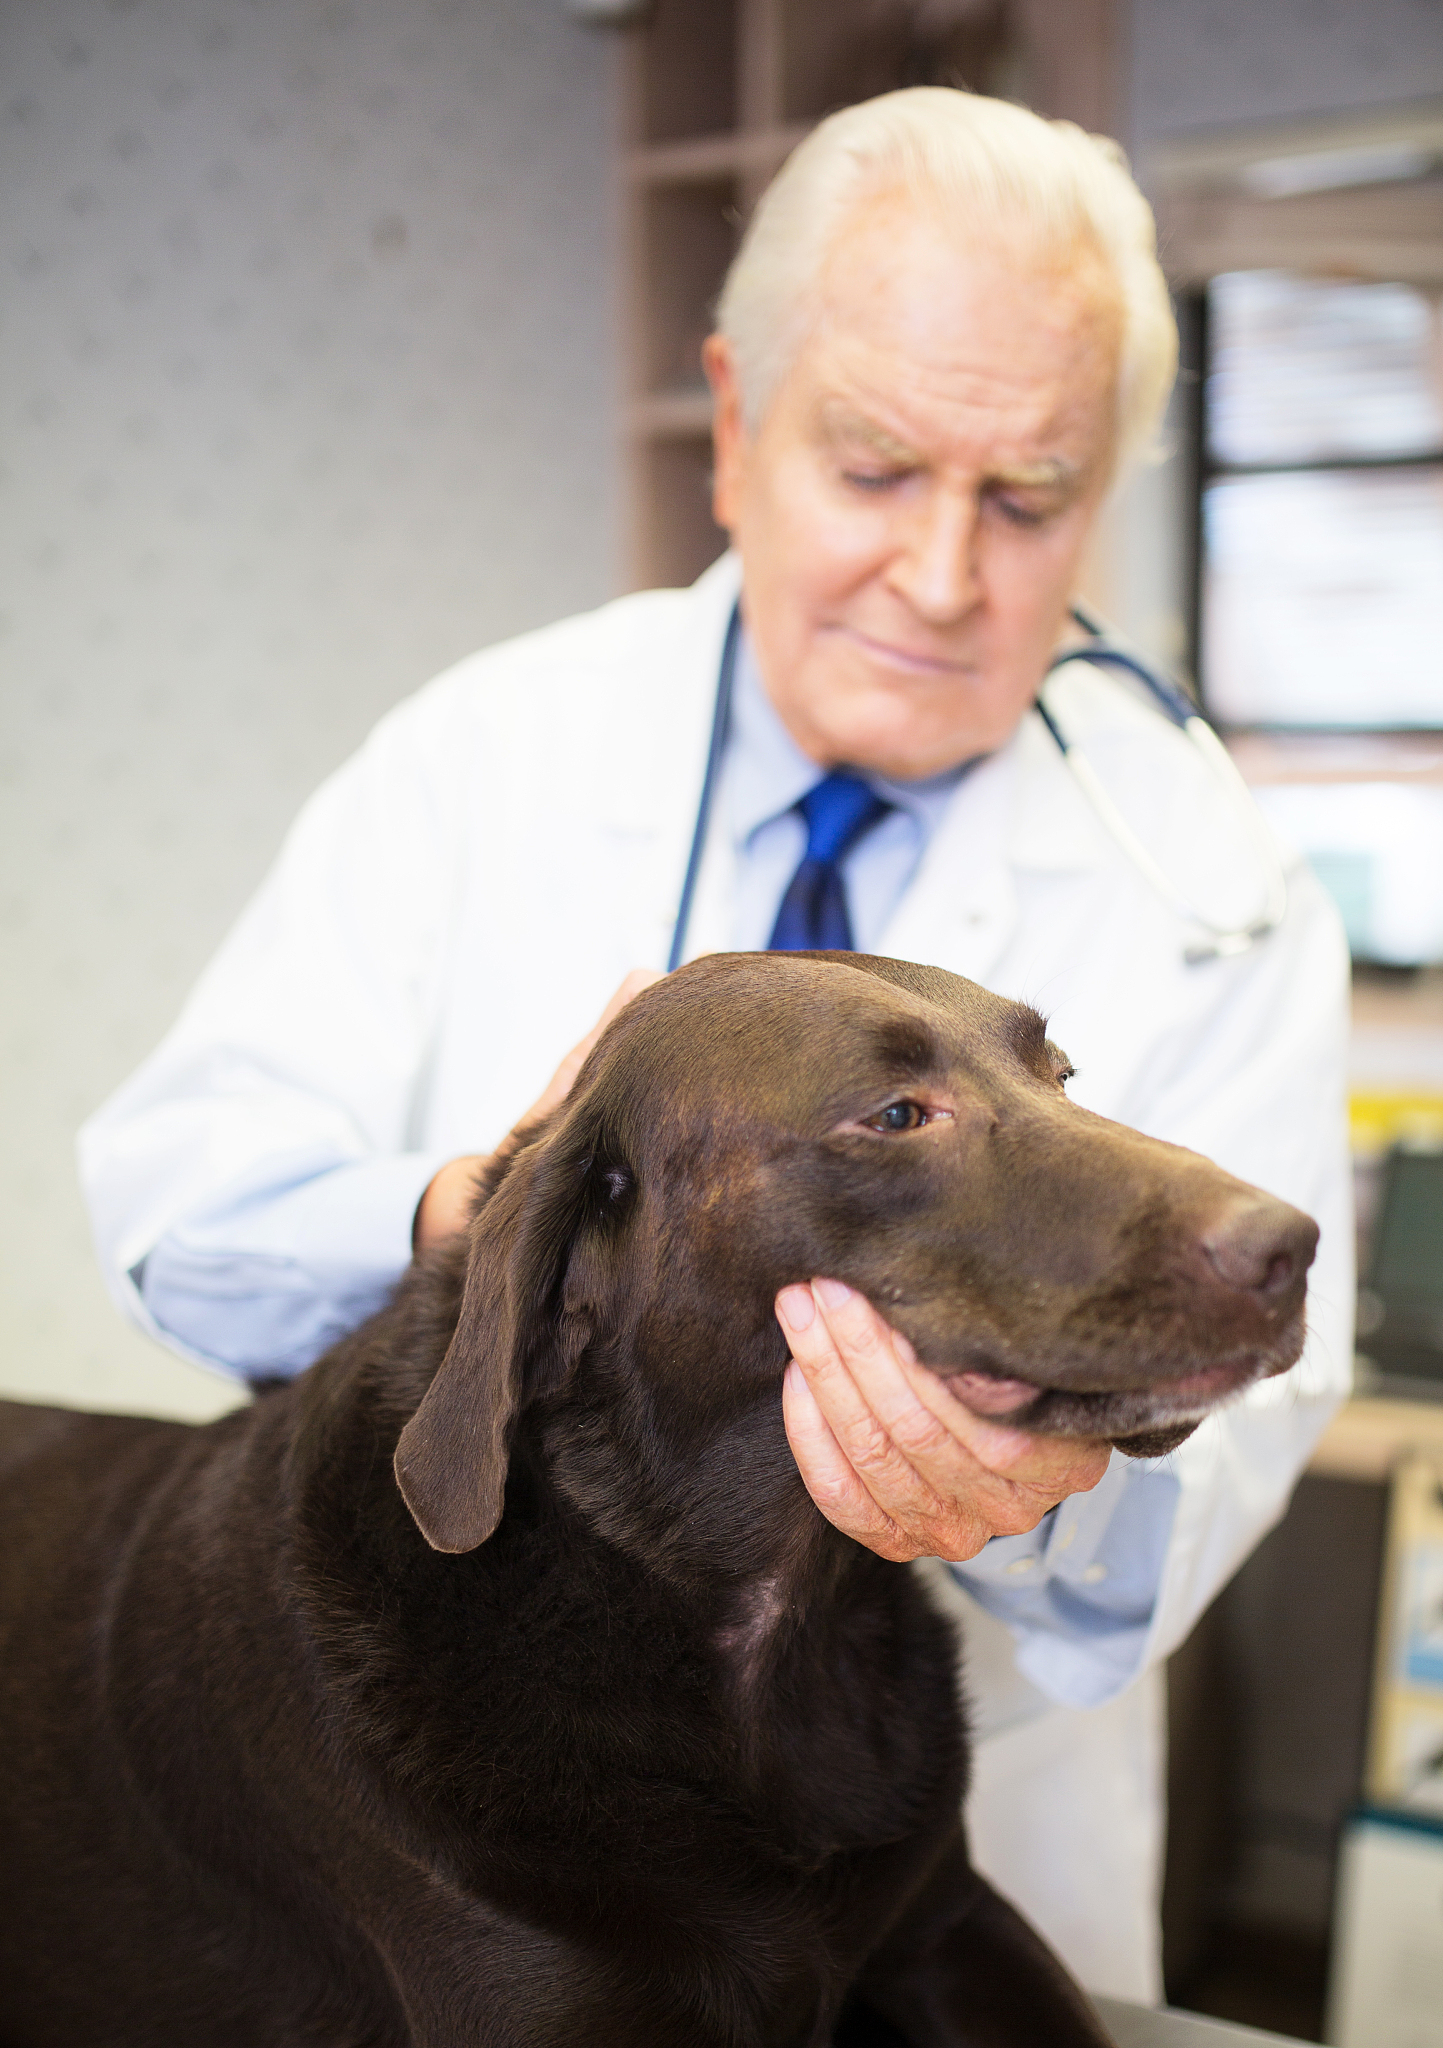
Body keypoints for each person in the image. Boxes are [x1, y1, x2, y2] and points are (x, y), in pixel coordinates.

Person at [79, 88, 1353, 2004]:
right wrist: (497, 1231)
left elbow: (1189, 1496)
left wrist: (1023, 1486)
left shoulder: (1219, 880)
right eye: (874, 468)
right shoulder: (489, 755)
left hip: (931, 1806)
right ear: (739, 422)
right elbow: (181, 1200)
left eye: (1027, 499)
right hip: (516, 1809)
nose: (942, 575)